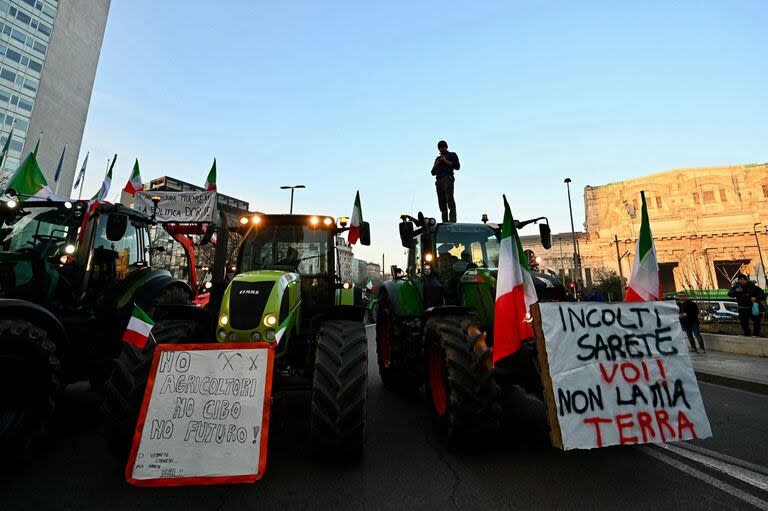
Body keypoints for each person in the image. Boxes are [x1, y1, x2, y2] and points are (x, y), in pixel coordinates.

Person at [430, 140, 460, 223]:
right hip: (438, 180)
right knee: (441, 202)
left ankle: (452, 220)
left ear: (446, 147)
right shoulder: (437, 159)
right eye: (440, 148)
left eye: (443, 147)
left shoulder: (452, 155)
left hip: (447, 178)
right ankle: (445, 221)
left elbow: (457, 166)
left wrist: (445, 160)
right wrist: (437, 163)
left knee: (449, 199)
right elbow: (432, 172)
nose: (441, 149)